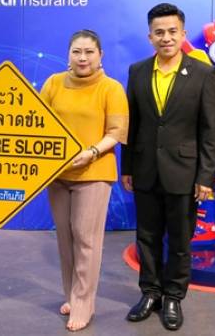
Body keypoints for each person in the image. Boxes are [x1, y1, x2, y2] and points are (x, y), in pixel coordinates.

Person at [121, 3, 215, 331]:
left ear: (183, 34)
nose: (166, 38)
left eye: (172, 31)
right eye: (159, 32)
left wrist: (206, 176)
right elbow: (132, 123)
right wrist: (127, 167)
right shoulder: (137, 71)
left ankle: (174, 296)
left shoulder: (203, 73)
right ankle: (150, 293)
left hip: (185, 172)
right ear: (150, 36)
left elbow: (210, 130)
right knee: (146, 236)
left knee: (179, 240)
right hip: (145, 169)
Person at [40, 30, 129, 331]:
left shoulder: (111, 88)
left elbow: (116, 132)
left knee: (86, 239)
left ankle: (83, 304)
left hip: (94, 172)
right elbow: (37, 120)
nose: (82, 58)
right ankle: (72, 295)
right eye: (76, 51)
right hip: (57, 175)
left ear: (100, 55)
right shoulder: (53, 83)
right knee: (65, 238)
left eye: (89, 52)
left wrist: (91, 152)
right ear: (68, 54)